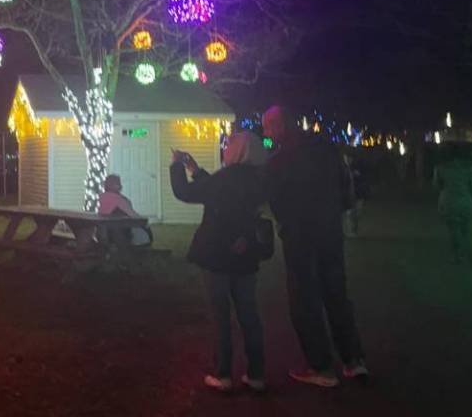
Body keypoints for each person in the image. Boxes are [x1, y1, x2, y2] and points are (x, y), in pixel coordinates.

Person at [262, 105, 367, 388]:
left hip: (300, 236)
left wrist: (286, 224)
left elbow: (276, 200)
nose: (266, 132)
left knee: (304, 299)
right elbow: (346, 190)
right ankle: (352, 359)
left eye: (268, 127)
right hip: (330, 231)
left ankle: (320, 366)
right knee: (336, 294)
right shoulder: (327, 151)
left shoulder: (279, 161)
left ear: (280, 126)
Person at [169, 132, 268, 393]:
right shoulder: (259, 180)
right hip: (246, 254)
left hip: (217, 253)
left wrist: (176, 166)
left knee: (221, 315)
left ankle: (223, 373)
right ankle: (256, 374)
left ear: (235, 151)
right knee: (249, 315)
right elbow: (220, 193)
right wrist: (196, 169)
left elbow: (186, 193)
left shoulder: (225, 179)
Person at [433, 145, 472, 264]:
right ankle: (462, 255)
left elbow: (436, 186)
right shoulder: (469, 169)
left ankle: (459, 255)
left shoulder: (441, 168)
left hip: (449, 201)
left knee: (454, 230)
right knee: (464, 230)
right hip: (466, 201)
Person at [98, 174, 153, 246]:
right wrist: (145, 223)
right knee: (142, 229)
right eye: (118, 183)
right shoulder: (119, 199)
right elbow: (133, 215)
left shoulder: (101, 197)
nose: (121, 185)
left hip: (104, 231)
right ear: (115, 185)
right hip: (120, 231)